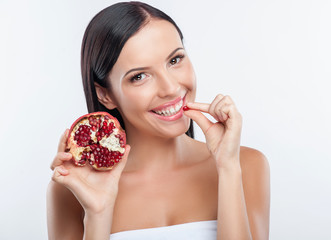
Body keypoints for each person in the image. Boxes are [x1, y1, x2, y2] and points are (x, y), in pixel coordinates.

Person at [47, 2, 270, 239]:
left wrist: (227, 169)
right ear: (105, 94)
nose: (171, 88)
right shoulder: (73, 189)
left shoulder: (245, 165)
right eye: (139, 76)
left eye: (175, 60)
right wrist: (98, 213)